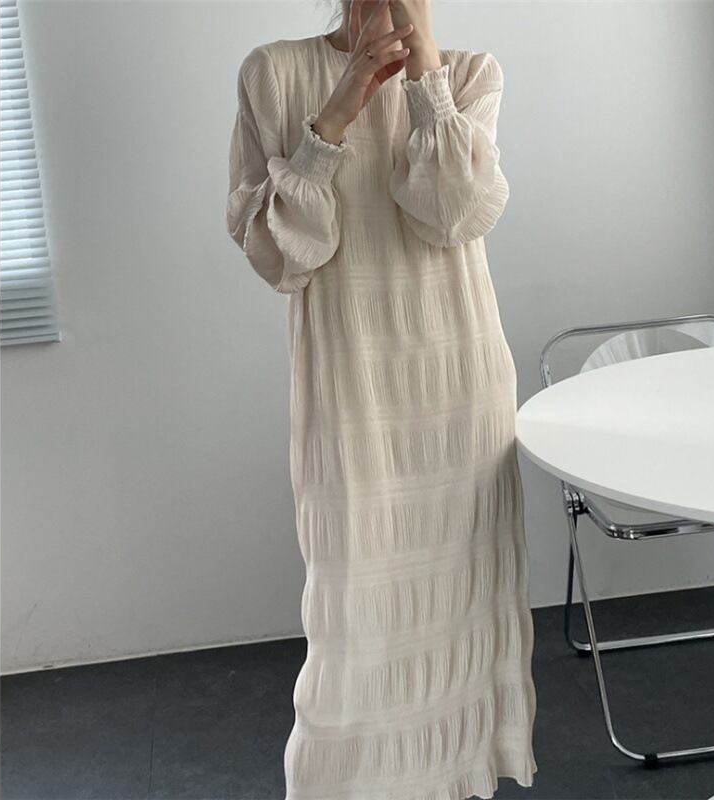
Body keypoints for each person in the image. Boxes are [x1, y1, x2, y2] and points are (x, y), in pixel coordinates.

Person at [225, 0, 537, 796]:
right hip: (353, 383)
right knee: (356, 611)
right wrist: (338, 108)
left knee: (459, 604)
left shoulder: (470, 74)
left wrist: (424, 71)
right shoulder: (273, 72)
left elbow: (456, 215)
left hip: (458, 384)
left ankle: (453, 775)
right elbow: (280, 252)